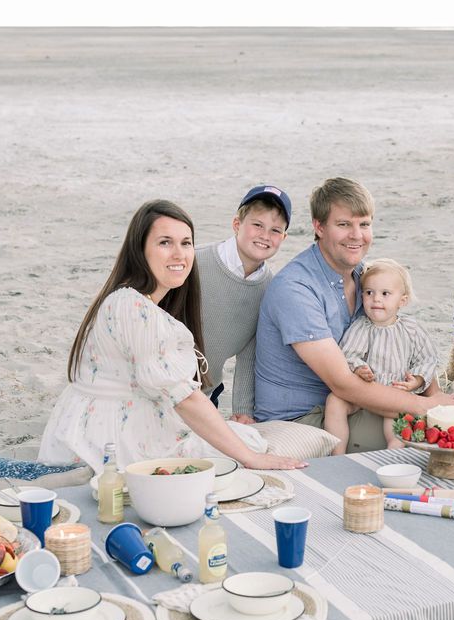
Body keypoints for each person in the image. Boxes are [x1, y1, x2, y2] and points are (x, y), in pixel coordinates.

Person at [38, 199, 306, 473]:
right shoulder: (132, 306)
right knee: (243, 451)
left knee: (244, 439)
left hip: (130, 417)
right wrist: (252, 458)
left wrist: (243, 413)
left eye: (186, 243)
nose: (179, 254)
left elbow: (244, 356)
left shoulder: (145, 302)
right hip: (107, 438)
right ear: (140, 249)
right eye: (165, 242)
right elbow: (183, 397)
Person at [254, 177, 454, 452]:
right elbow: (343, 384)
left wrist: (434, 394)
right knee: (442, 427)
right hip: (307, 418)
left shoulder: (363, 276)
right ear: (319, 226)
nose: (357, 235)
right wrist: (425, 405)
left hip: (349, 404)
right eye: (344, 224)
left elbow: (401, 339)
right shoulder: (296, 289)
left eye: (364, 224)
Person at [196, 185, 291, 423]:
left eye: (275, 230)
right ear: (237, 224)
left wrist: (243, 411)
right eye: (257, 225)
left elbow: (249, 353)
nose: (265, 235)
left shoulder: (269, 289)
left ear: (284, 237)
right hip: (160, 387)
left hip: (207, 394)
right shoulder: (195, 264)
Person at [324, 258, 438, 454]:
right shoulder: (362, 327)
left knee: (396, 418)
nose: (376, 299)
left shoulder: (411, 329)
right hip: (364, 392)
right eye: (369, 293)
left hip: (396, 391)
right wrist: (359, 368)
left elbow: (427, 360)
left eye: (385, 294)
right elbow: (348, 355)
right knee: (334, 401)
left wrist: (416, 381)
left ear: (402, 300)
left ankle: (394, 451)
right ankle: (337, 451)